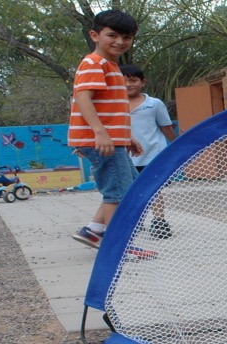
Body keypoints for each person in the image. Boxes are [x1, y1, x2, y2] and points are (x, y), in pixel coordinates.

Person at [68, 10, 143, 249]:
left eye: (127, 37)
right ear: (94, 35)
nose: (120, 42)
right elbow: (83, 98)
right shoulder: (94, 63)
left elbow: (109, 110)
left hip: (111, 139)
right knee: (118, 193)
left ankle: (94, 231)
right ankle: (117, 246)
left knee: (128, 184)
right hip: (99, 140)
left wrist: (125, 137)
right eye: (112, 35)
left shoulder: (111, 66)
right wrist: (100, 133)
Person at [120, 63, 176, 236]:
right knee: (130, 192)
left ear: (143, 82)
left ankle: (159, 221)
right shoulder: (115, 105)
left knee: (154, 189)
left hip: (153, 154)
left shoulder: (154, 104)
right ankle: (135, 222)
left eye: (133, 80)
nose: (128, 84)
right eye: (123, 81)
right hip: (125, 157)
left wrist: (176, 147)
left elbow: (166, 127)